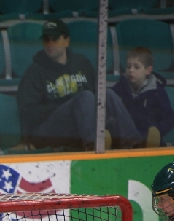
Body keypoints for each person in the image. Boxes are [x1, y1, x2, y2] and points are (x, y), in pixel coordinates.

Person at [17, 19, 142, 150]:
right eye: (46, 39)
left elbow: (96, 95)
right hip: (47, 130)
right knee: (84, 97)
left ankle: (133, 144)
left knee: (106, 94)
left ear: (67, 41)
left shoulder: (82, 63)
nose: (50, 44)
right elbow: (28, 113)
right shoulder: (34, 72)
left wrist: (81, 109)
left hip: (81, 123)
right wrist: (68, 106)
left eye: (55, 39)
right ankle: (93, 148)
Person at [112, 46, 174, 148]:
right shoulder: (118, 89)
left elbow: (168, 119)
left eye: (136, 67)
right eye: (128, 67)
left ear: (148, 70)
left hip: (146, 138)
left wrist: (156, 131)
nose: (131, 70)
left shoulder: (157, 92)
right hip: (123, 140)